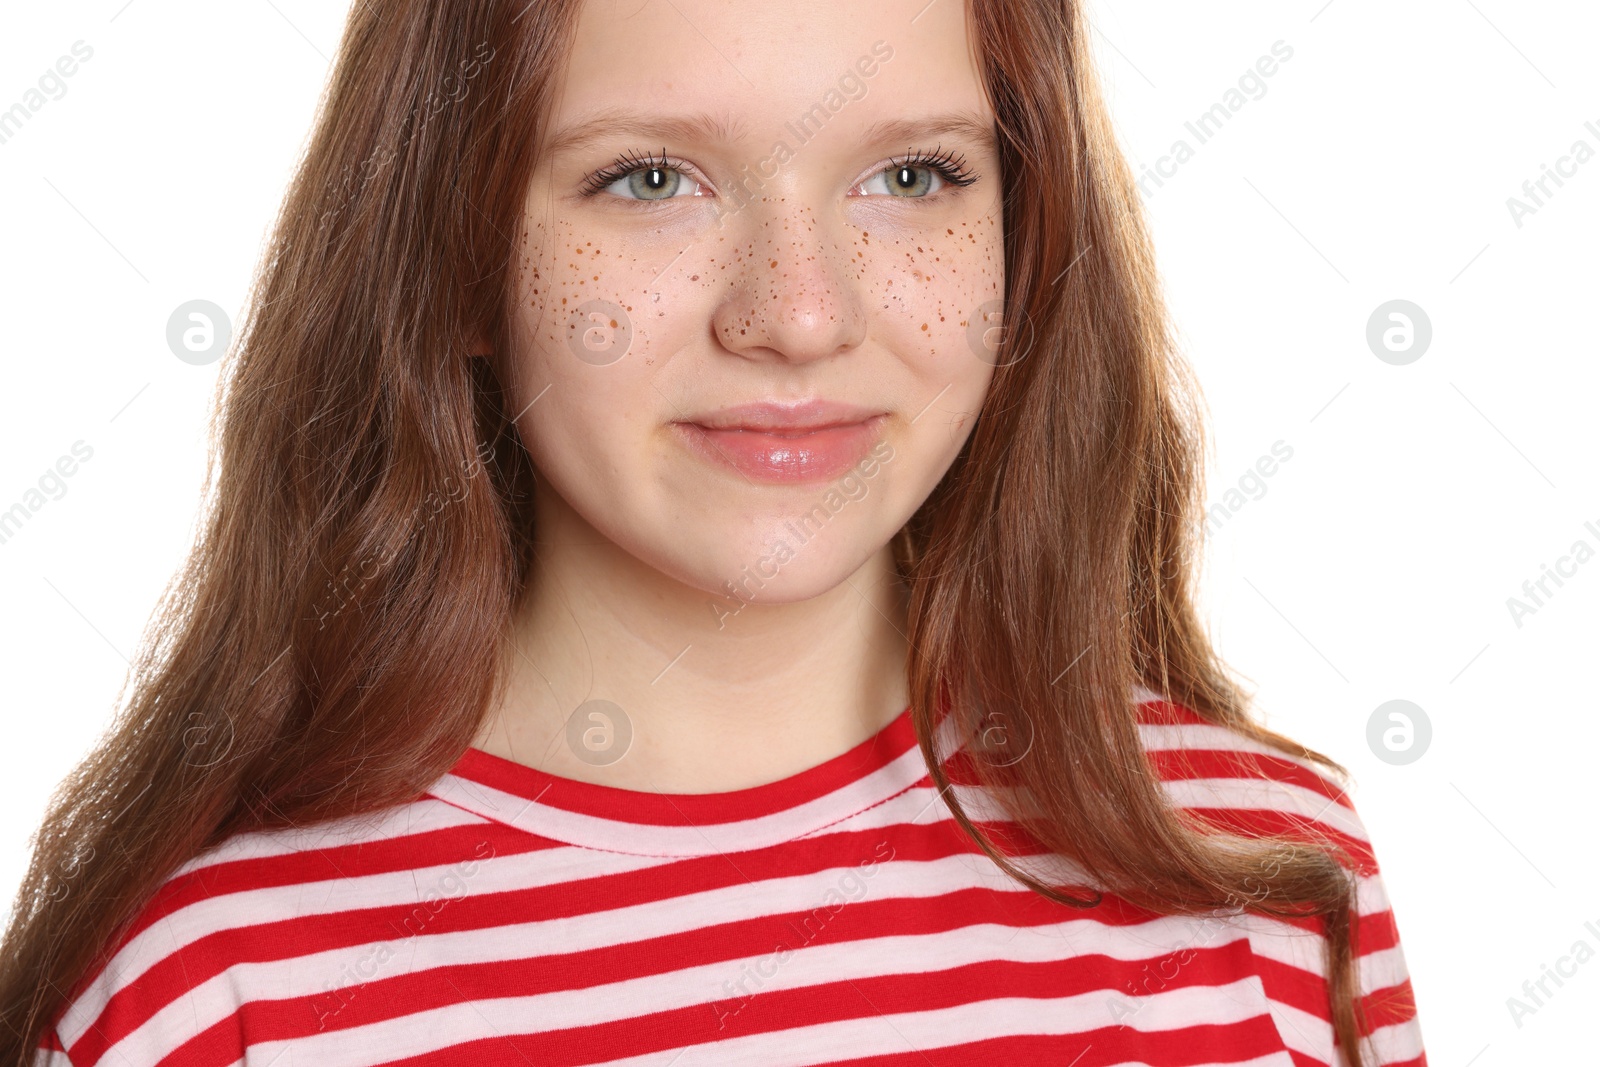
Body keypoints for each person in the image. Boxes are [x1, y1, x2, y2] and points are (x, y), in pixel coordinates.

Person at [1, 1, 1427, 1064]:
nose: (799, 314)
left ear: (1027, 240)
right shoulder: (208, 996)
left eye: (914, 176)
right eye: (651, 180)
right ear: (448, 266)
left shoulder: (1257, 879)